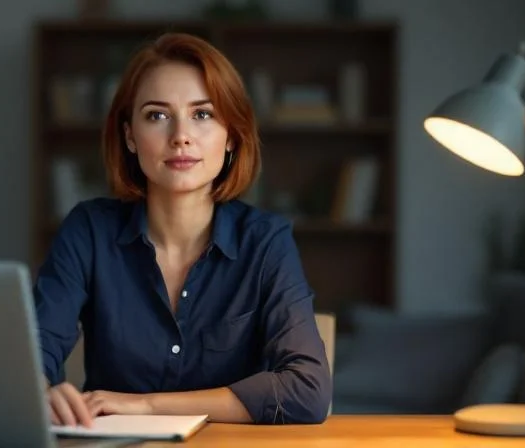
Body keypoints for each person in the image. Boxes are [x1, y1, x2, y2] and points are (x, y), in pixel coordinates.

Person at [33, 32, 331, 427]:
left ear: (231, 137)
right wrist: (40, 390)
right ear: (130, 137)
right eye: (157, 115)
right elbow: (33, 353)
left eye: (202, 114)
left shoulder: (265, 241)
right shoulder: (88, 230)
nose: (181, 137)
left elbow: (307, 391)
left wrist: (145, 405)